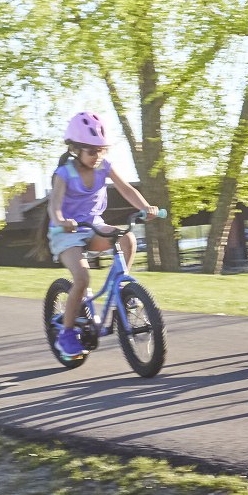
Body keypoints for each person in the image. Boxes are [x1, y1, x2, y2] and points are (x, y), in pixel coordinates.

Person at [47, 111, 159, 361]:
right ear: (76, 148)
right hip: (66, 233)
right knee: (82, 278)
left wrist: (144, 207)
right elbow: (53, 205)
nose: (97, 156)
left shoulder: (104, 167)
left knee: (127, 238)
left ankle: (122, 290)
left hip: (93, 226)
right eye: (91, 151)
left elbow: (126, 189)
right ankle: (66, 333)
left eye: (102, 150)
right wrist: (61, 221)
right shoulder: (65, 173)